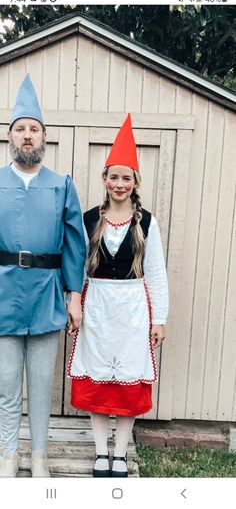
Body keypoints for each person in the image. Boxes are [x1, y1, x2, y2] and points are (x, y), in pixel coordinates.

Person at [68, 114, 169, 477]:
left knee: (125, 386)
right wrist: (74, 304)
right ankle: (99, 453)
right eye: (114, 177)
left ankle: (121, 454)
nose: (120, 184)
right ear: (105, 180)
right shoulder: (89, 218)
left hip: (131, 310)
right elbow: (77, 267)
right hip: (97, 308)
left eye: (127, 178)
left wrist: (159, 318)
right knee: (98, 380)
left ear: (135, 182)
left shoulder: (146, 222)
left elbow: (156, 273)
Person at [0, 74, 86, 478]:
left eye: (34, 129)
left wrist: (74, 297)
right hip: (3, 294)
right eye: (21, 129)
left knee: (40, 386)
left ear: (44, 136)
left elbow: (74, 244)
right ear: (10, 137)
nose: (28, 136)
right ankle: (8, 455)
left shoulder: (61, 185)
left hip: (47, 294)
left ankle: (38, 456)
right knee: (6, 384)